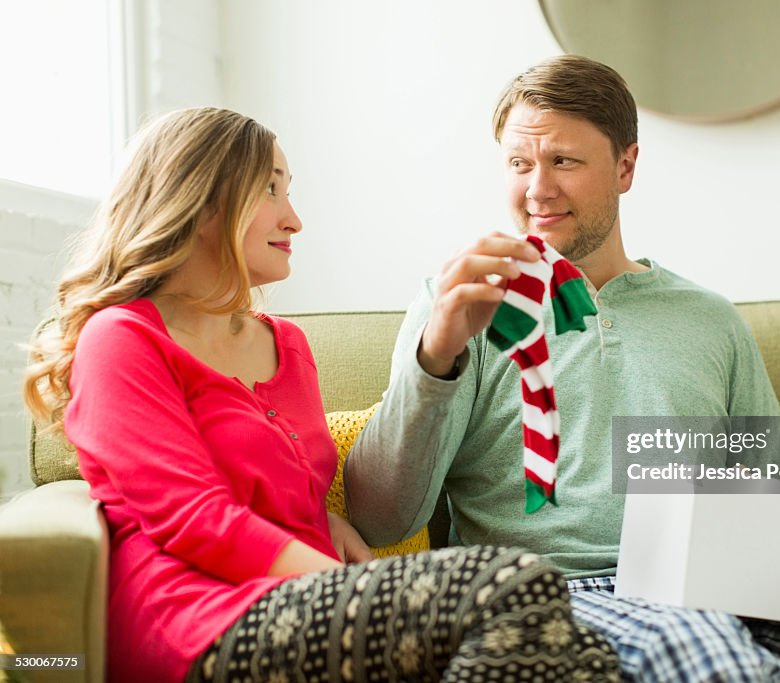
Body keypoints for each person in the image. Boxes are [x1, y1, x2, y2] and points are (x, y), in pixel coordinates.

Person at [345, 55, 780, 682]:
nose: (537, 188)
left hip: (724, 579)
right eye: (519, 162)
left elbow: (775, 484)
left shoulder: (708, 318)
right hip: (556, 590)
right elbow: (381, 516)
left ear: (626, 166)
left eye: (563, 160)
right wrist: (435, 358)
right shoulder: (458, 306)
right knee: (707, 651)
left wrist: (766, 579)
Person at [23, 107, 619, 683]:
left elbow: (294, 494)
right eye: (271, 191)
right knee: (514, 583)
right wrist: (351, 583)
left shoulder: (287, 346)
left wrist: (327, 526)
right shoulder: (123, 338)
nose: (294, 219)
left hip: (312, 611)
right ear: (199, 202)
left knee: (584, 651)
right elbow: (193, 518)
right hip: (196, 621)